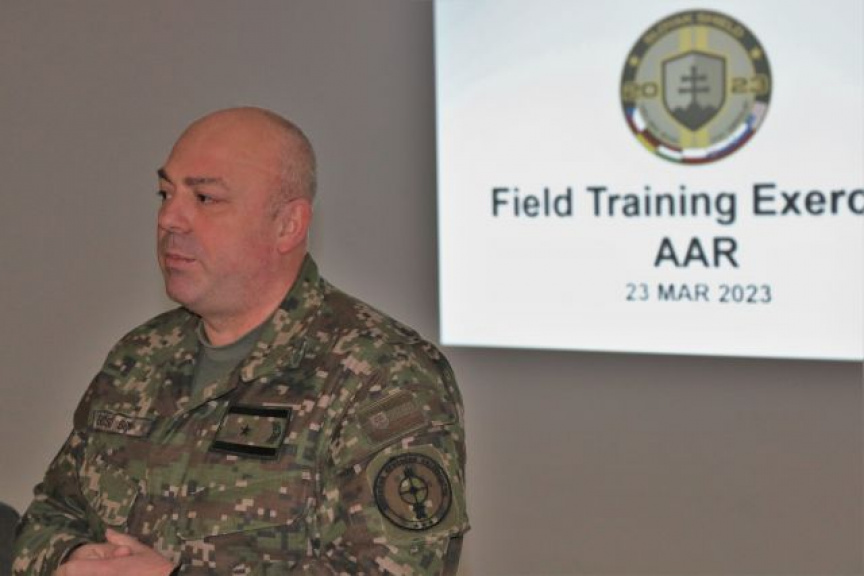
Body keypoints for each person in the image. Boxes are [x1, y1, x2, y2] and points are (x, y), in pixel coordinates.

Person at [12, 107, 468, 575]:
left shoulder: (381, 373)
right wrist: (70, 560)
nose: (169, 218)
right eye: (165, 193)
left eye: (205, 198)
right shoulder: (140, 356)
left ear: (288, 225)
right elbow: (48, 516)